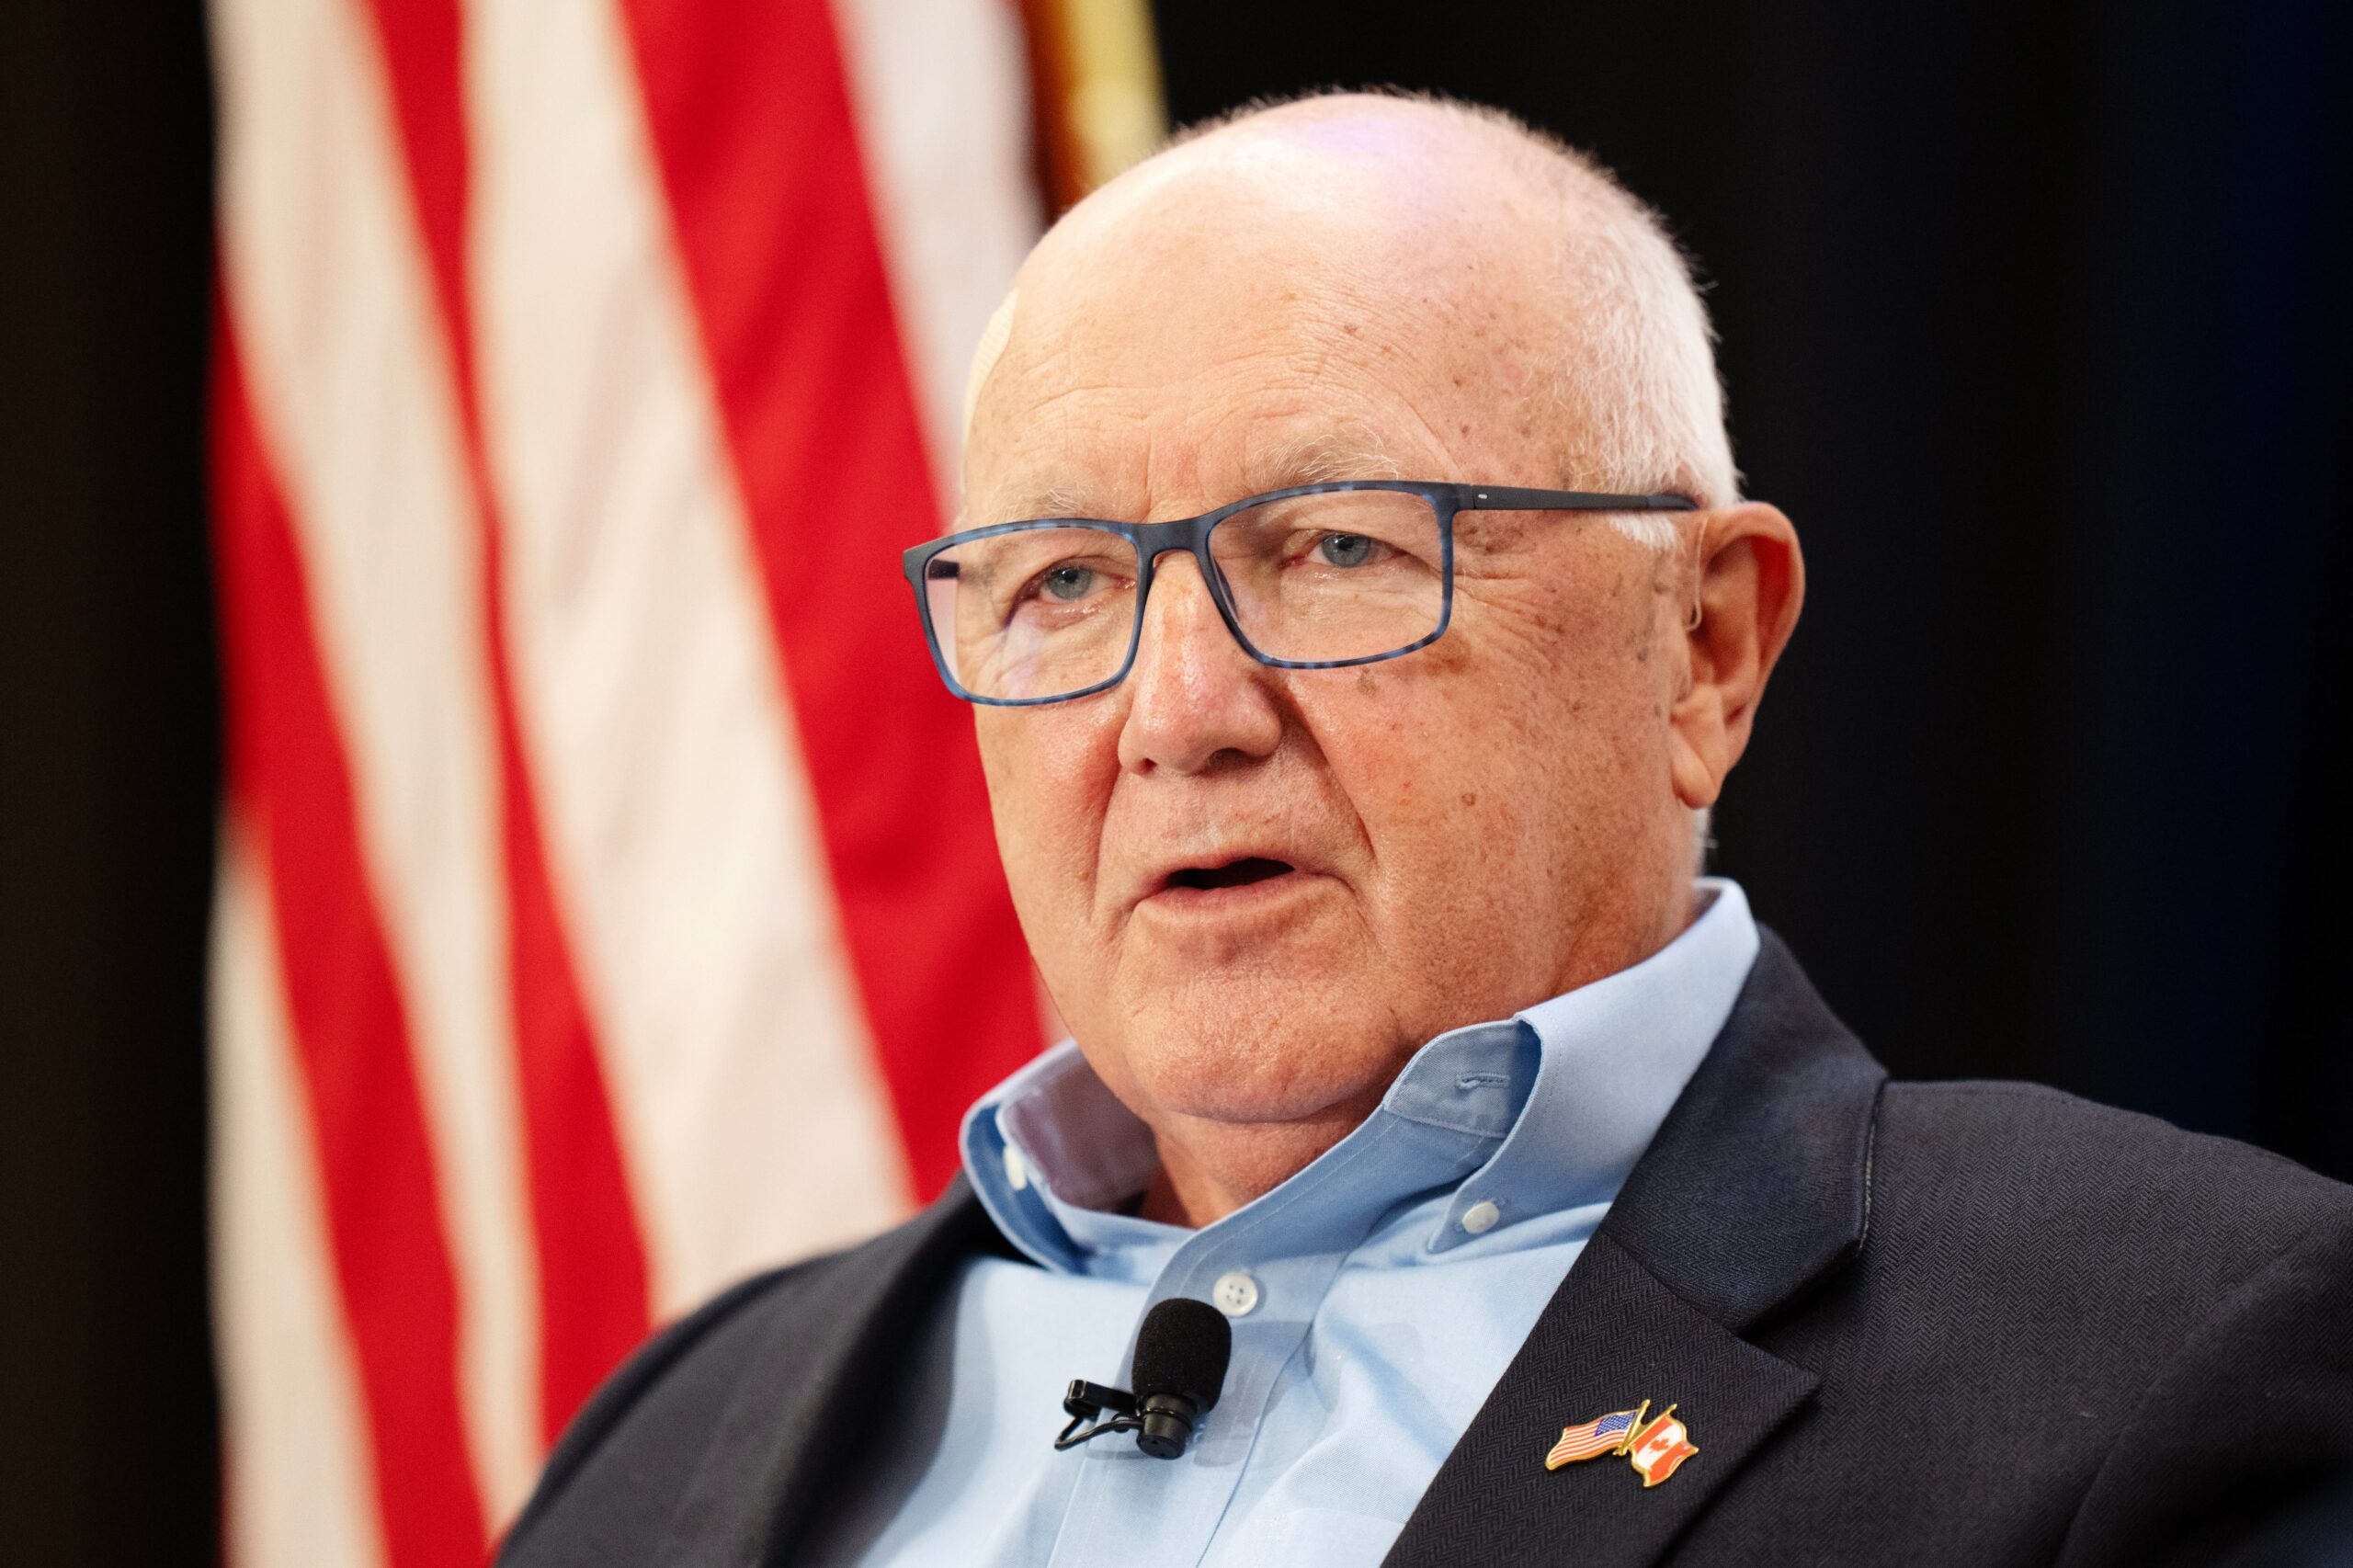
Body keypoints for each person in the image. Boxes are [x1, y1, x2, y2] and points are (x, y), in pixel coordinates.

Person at [497, 92, 2353, 1567]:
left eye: (1335, 548)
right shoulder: (677, 1438)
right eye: (1061, 582)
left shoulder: (2162, 1351)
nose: (1177, 715)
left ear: (1703, 647)